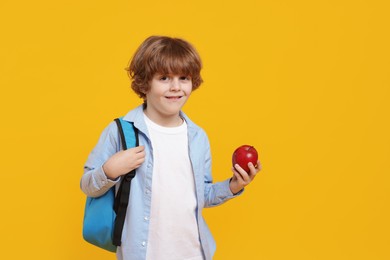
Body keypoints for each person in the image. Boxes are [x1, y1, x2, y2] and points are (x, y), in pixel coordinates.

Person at [81, 35, 261, 260]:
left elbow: (200, 195)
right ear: (145, 82)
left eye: (184, 78)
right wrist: (109, 170)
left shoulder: (197, 137)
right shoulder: (121, 131)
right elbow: (87, 185)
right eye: (164, 78)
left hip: (194, 252)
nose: (176, 87)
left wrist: (234, 185)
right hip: (142, 253)